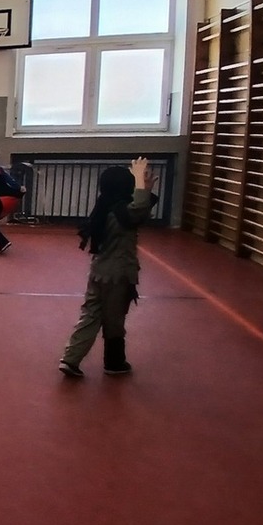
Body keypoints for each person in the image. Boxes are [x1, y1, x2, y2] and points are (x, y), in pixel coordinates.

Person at [58, 158, 158, 379]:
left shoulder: (104, 208)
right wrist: (141, 183)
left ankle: (71, 358)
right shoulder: (123, 214)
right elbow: (138, 210)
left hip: (98, 271)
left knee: (90, 315)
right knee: (114, 319)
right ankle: (114, 362)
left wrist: (144, 189)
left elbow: (139, 211)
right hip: (118, 274)